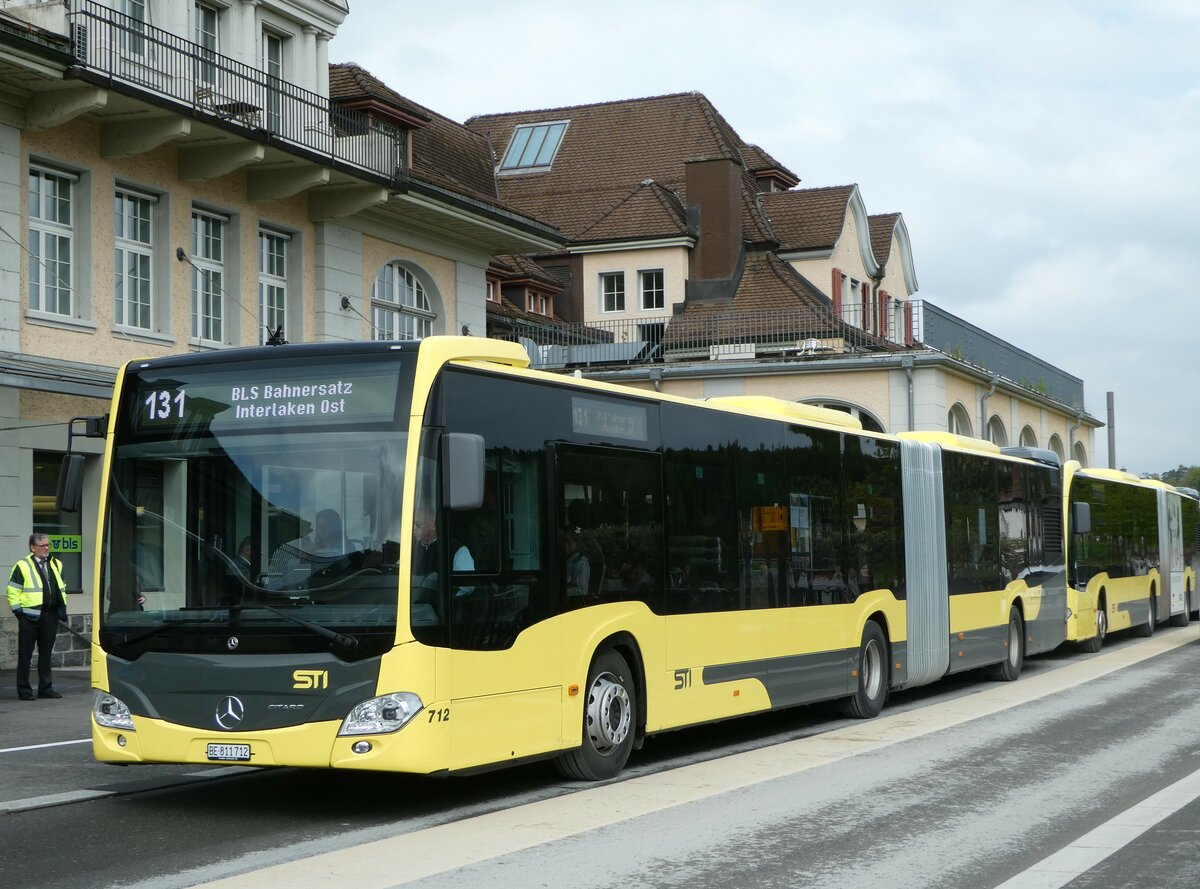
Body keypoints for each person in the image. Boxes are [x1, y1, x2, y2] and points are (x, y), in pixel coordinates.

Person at [7, 532, 68, 701]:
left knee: (46, 655)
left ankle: (45, 688)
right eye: (42, 545)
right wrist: (19, 612)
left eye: (48, 545)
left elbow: (61, 587)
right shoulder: (22, 565)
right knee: (25, 656)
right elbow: (12, 591)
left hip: (50, 616)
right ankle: (24, 690)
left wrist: (61, 610)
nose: (46, 548)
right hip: (29, 617)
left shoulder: (56, 564)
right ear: (32, 548)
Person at [267, 508, 346, 590]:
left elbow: (350, 569)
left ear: (336, 528)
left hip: (342, 589)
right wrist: (305, 558)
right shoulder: (308, 549)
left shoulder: (346, 547)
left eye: (327, 527)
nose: (322, 530)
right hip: (313, 591)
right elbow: (293, 577)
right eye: (320, 527)